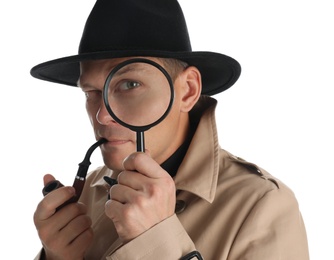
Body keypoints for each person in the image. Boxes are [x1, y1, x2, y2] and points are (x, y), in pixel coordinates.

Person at [31, 0, 309, 259]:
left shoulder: (261, 206)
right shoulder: (89, 196)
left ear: (188, 91)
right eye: (91, 91)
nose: (102, 115)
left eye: (129, 85)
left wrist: (157, 240)